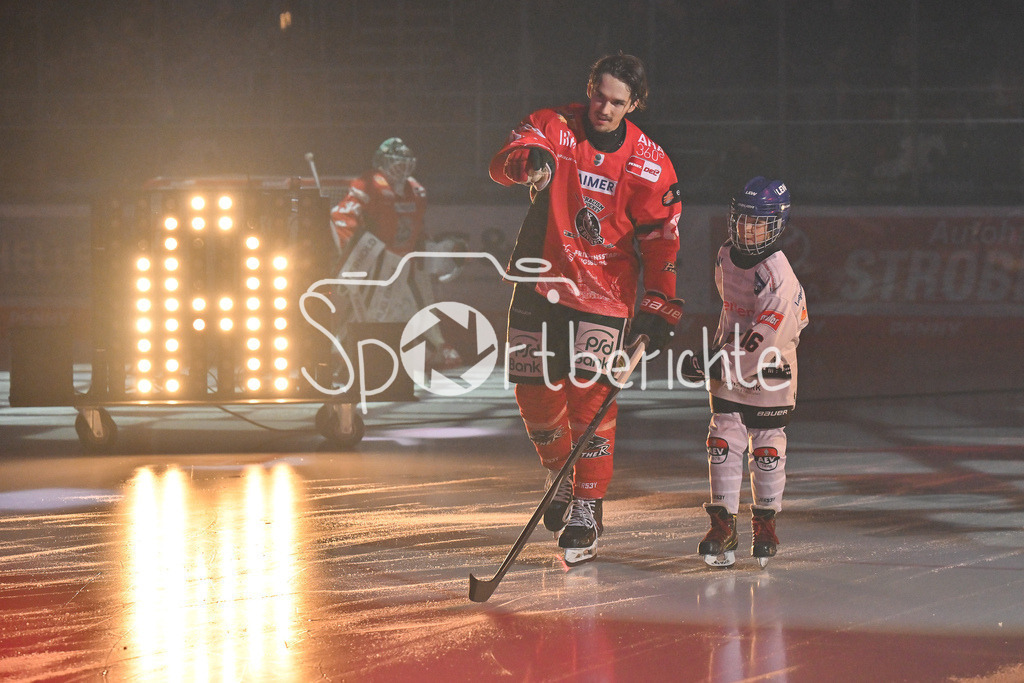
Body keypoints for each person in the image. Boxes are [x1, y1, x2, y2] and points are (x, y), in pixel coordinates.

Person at [489, 53, 684, 566]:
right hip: (540, 281)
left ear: (634, 104)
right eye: (599, 95)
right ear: (589, 88)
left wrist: (658, 305)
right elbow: (512, 156)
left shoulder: (649, 161)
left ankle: (587, 505)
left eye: (617, 102)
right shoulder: (555, 126)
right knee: (530, 391)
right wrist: (530, 161)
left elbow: (663, 238)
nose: (604, 107)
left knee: (591, 399)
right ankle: (560, 473)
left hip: (603, 295)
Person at [681, 176, 808, 568]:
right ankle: (723, 523)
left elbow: (764, 338)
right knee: (722, 440)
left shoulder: (779, 279)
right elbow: (731, 311)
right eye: (741, 220)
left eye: (758, 223)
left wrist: (716, 361)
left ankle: (765, 524)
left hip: (771, 368)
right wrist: (715, 354)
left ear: (777, 225)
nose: (746, 229)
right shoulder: (725, 255)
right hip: (732, 358)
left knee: (768, 447)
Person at [329, 137, 461, 368]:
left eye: (404, 161)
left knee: (420, 300)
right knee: (360, 307)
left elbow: (417, 227)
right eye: (395, 161)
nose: (401, 167)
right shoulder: (368, 185)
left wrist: (427, 249)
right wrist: (358, 255)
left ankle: (436, 346)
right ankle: (338, 348)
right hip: (375, 261)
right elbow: (341, 217)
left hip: (403, 258)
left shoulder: (416, 191)